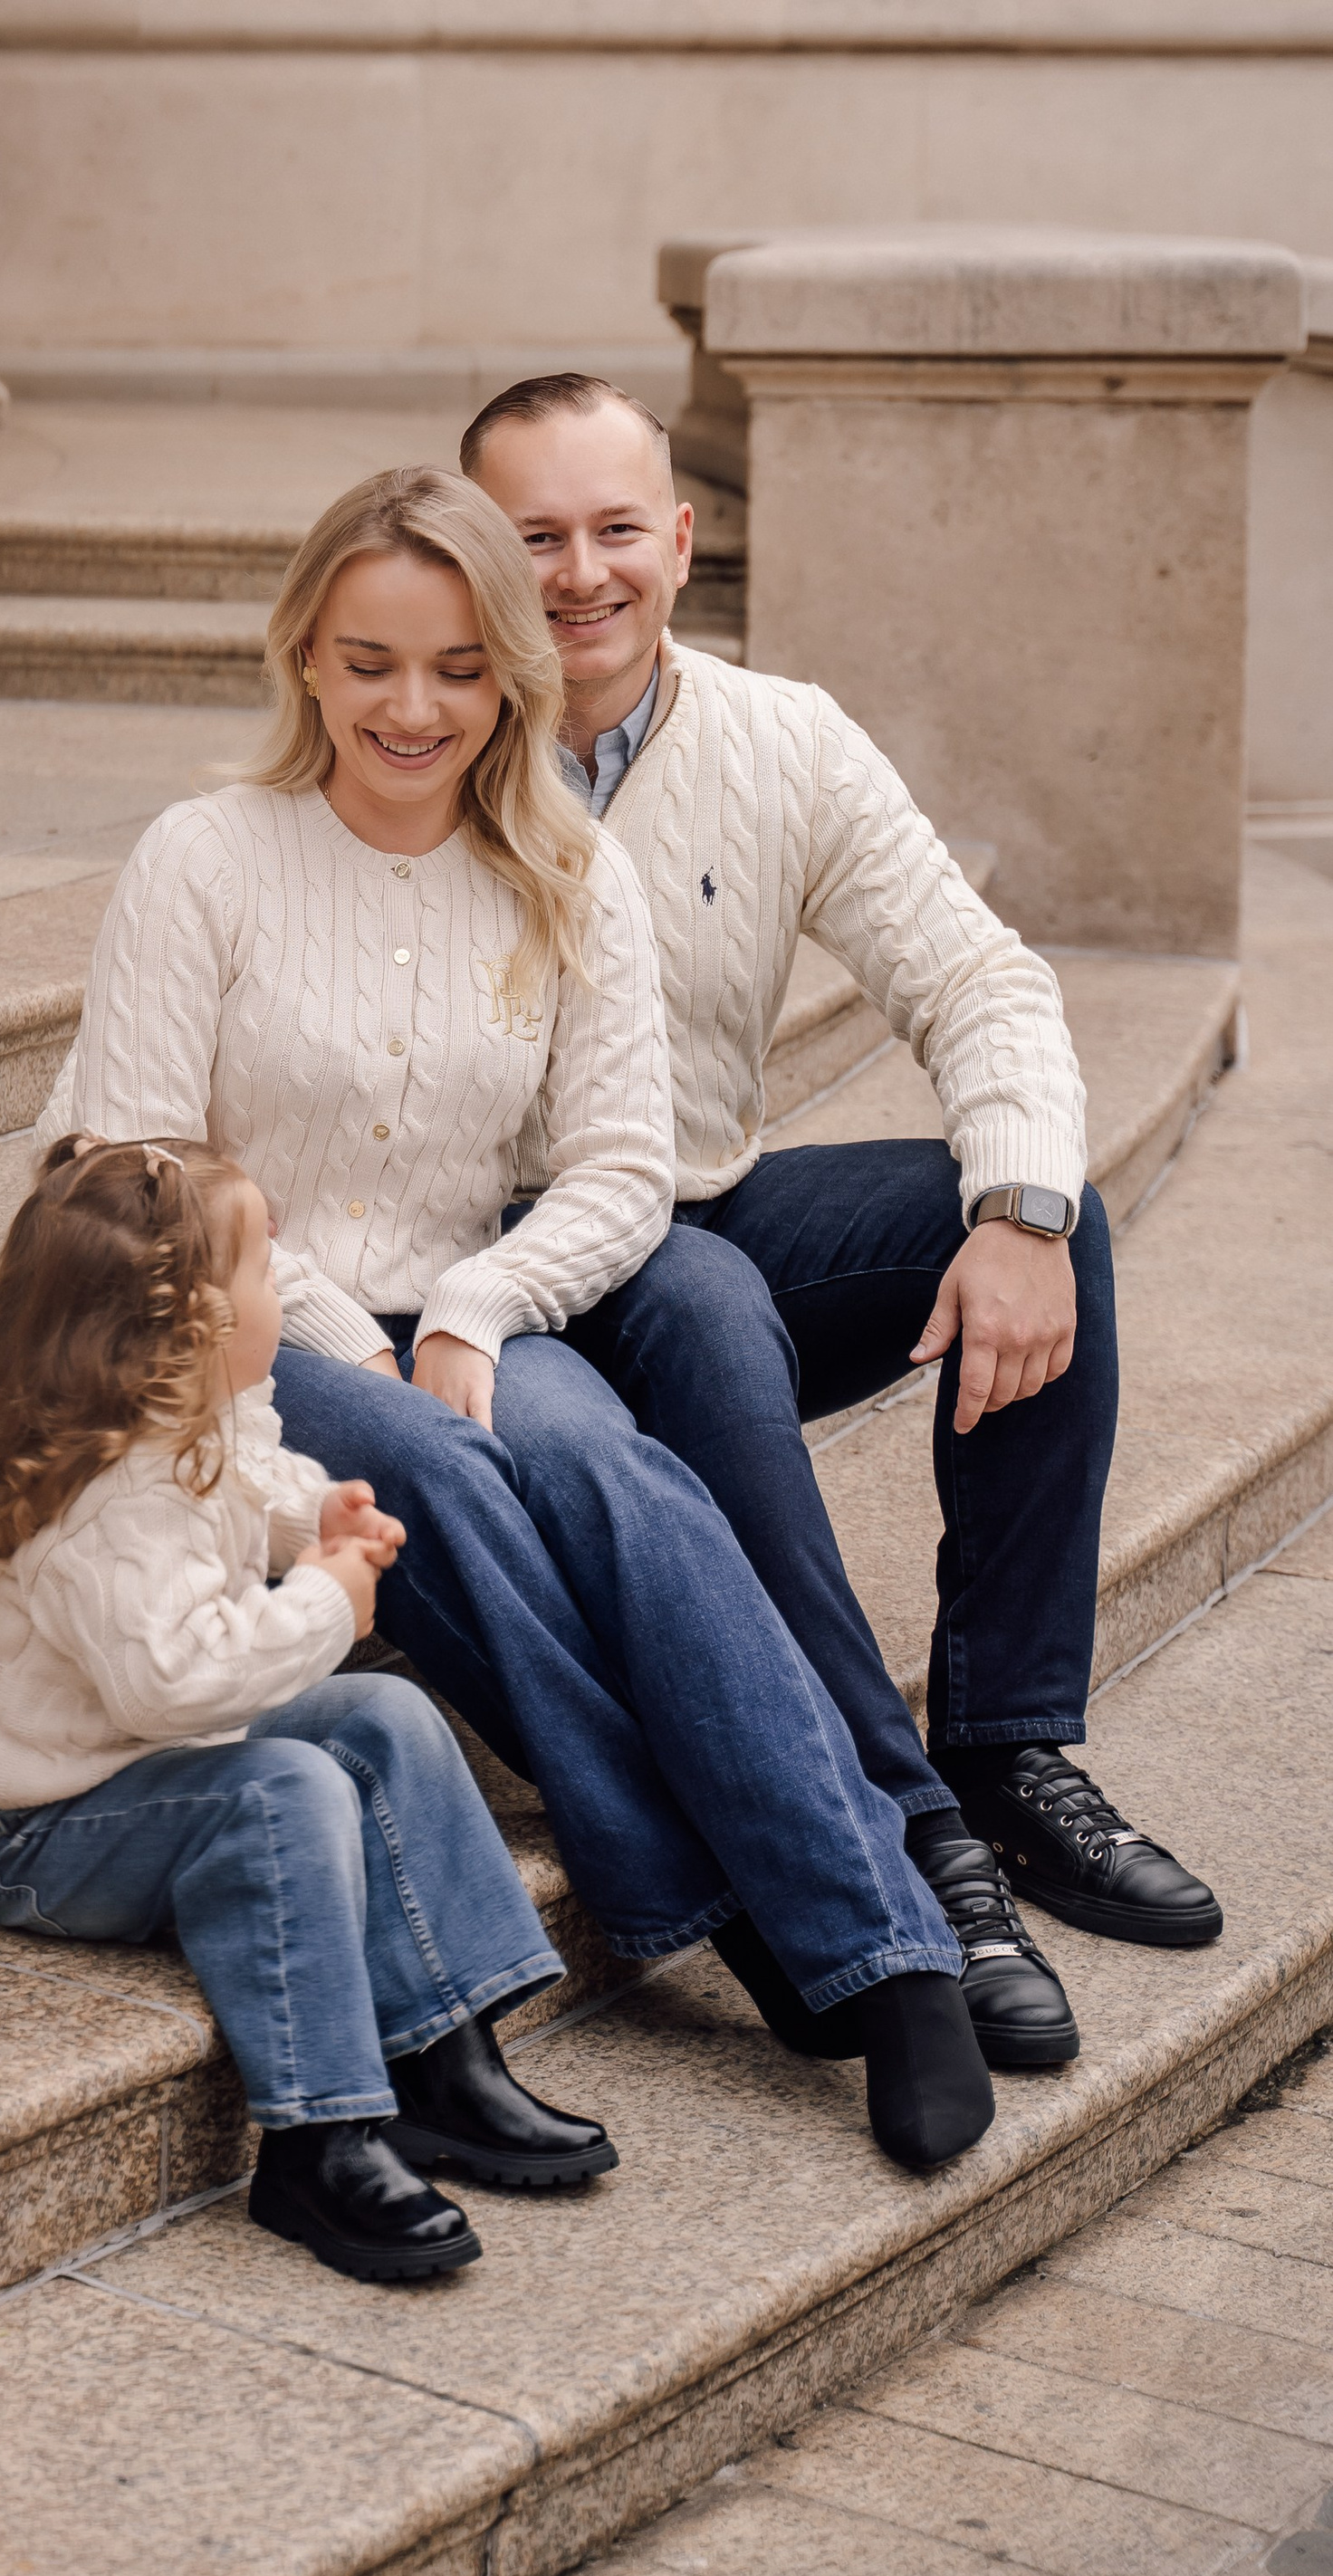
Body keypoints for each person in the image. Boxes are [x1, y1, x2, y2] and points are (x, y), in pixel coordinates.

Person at [37, 464, 996, 2173]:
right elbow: (137, 1155)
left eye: (463, 668)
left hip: (479, 1299)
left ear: (513, 679)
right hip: (250, 1330)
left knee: (624, 1483)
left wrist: (478, 1309)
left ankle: (891, 1957)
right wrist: (349, 1325)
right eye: (372, 662)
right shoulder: (207, 859)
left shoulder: (566, 871)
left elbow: (625, 1172)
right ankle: (789, 1926)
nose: (415, 708)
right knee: (451, 1483)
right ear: (308, 662)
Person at [458, 369, 1224, 2074]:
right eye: (534, 540)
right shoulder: (431, 744)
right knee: (709, 1287)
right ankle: (909, 1845)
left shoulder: (779, 736)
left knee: (1052, 1214)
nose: (581, 575)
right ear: (475, 560)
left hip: (702, 1212)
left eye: (613, 531)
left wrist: (1019, 1207)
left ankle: (1006, 1757)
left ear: (680, 535)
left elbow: (977, 976)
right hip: (496, 1276)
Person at [0, 1129, 617, 2287]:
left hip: (150, 1764)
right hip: (43, 1830)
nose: (280, 1287)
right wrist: (329, 1604)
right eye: (260, 1271)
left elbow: (248, 1486)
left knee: (386, 1723)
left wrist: (319, 1521)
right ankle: (318, 2136)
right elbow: (177, 1681)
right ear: (187, 1326)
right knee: (287, 1789)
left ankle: (446, 2055)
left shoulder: (175, 1420)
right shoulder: (104, 1500)